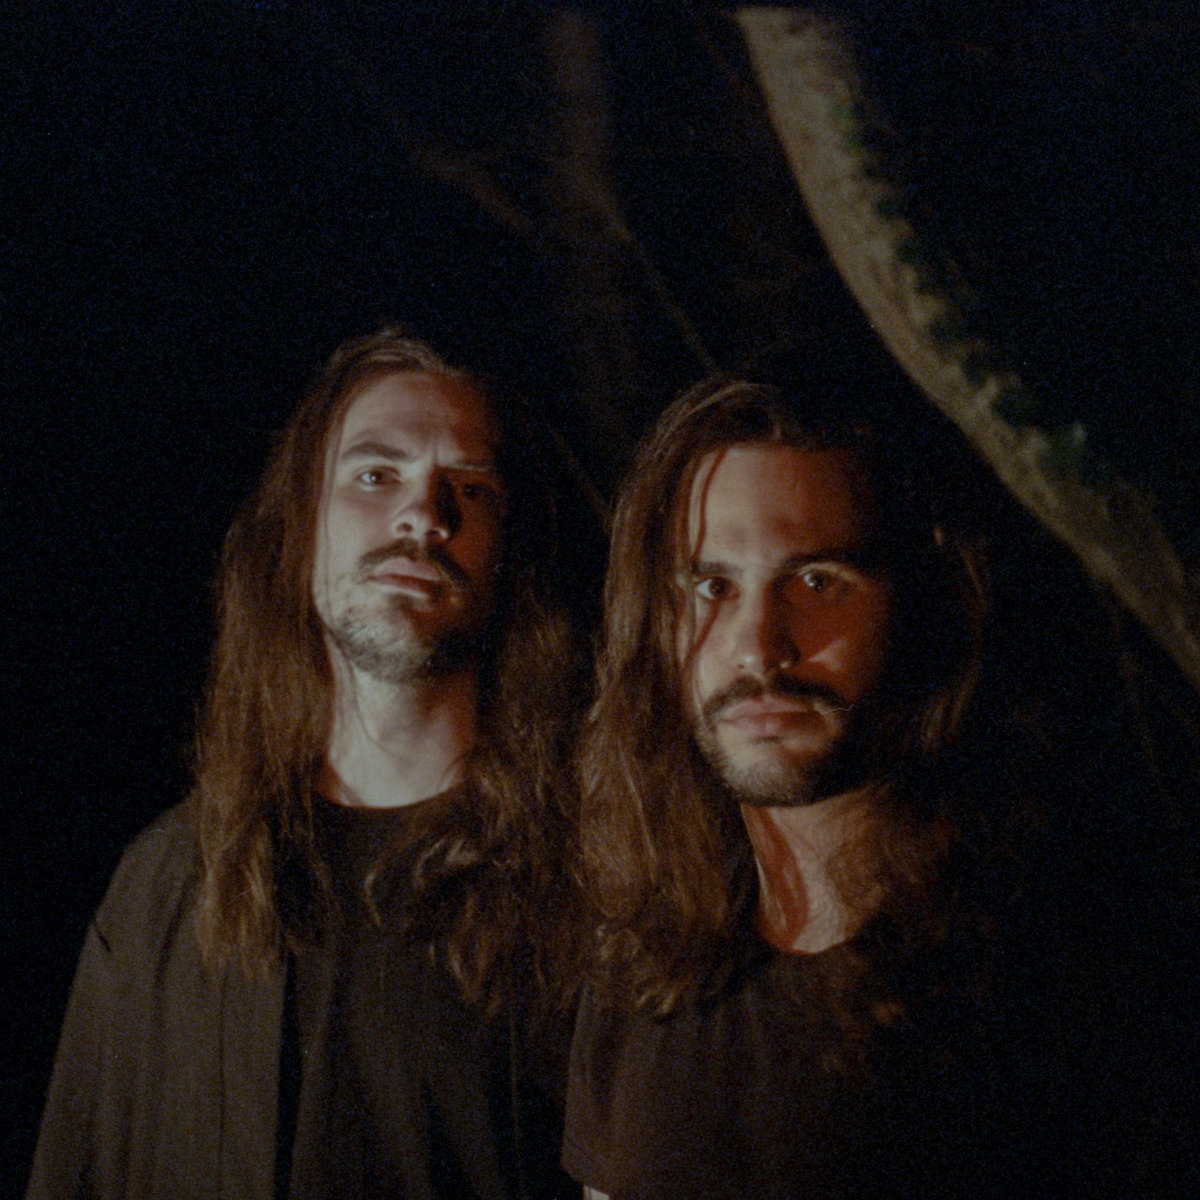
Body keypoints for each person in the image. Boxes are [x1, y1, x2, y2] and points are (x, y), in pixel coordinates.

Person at [563, 369, 1200, 1199]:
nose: (757, 646)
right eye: (711, 587)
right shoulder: (645, 957)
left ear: (923, 606)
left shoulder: (1073, 979)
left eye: (816, 582)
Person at [27, 329, 586, 1200]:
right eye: (376, 475)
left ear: (510, 552)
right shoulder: (162, 884)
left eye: (471, 489)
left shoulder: (589, 890)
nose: (423, 515)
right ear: (299, 529)